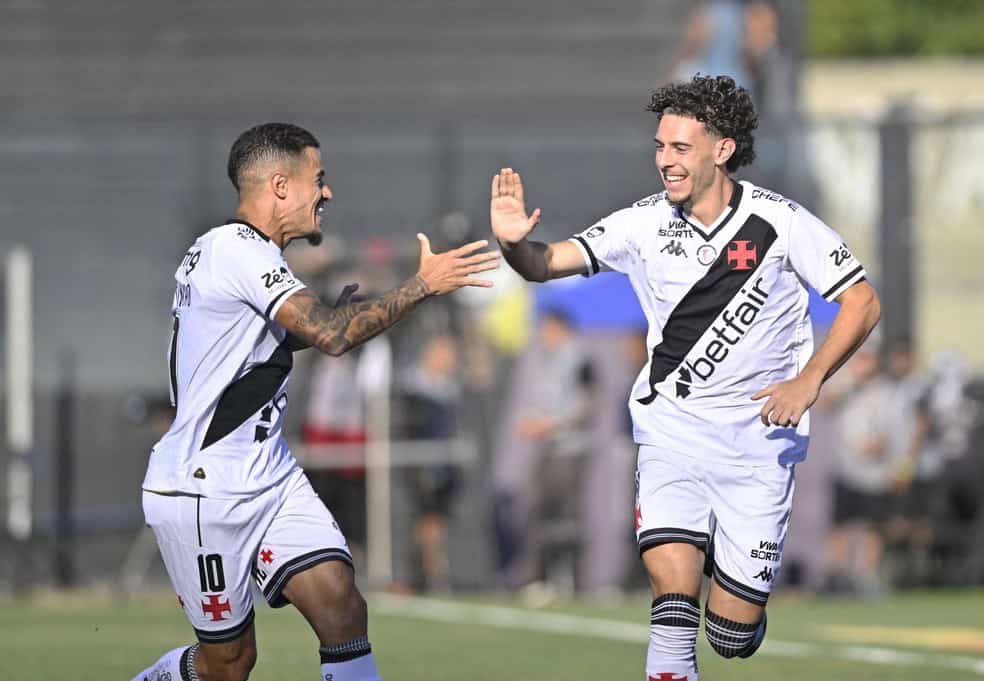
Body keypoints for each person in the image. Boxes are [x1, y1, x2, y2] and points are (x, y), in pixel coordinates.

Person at [489, 75, 880, 680]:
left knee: (728, 635)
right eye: (659, 147)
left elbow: (861, 300)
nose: (664, 161)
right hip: (672, 432)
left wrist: (810, 380)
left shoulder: (779, 221)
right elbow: (545, 263)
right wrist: (515, 243)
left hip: (759, 443)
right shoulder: (641, 224)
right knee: (671, 605)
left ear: (721, 150)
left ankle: (740, 602)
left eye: (679, 148)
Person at [131, 122, 499, 681]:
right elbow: (331, 335)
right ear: (280, 185)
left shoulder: (235, 252)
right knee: (228, 665)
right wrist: (423, 284)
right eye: (318, 180)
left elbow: (263, 343)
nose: (327, 193)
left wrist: (334, 315)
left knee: (342, 606)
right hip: (205, 489)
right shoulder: (237, 249)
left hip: (270, 477)